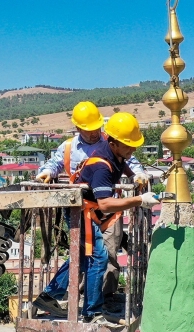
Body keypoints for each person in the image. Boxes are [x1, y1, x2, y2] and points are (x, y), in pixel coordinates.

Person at [33, 102, 150, 318]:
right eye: (89, 130)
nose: (94, 133)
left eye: (97, 128)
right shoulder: (71, 148)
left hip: (102, 209)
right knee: (97, 257)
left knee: (96, 255)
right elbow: (55, 164)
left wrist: (138, 174)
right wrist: (46, 172)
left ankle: (64, 297)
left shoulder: (112, 142)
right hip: (86, 208)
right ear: (78, 129)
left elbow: (129, 159)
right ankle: (91, 309)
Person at [69, 112, 160, 323]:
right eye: (128, 146)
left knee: (83, 259)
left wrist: (132, 175)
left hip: (91, 212)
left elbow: (122, 164)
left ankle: (49, 296)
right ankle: (91, 313)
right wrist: (139, 200)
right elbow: (105, 203)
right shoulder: (102, 165)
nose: (132, 149)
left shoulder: (115, 154)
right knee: (98, 258)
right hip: (85, 213)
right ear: (113, 142)